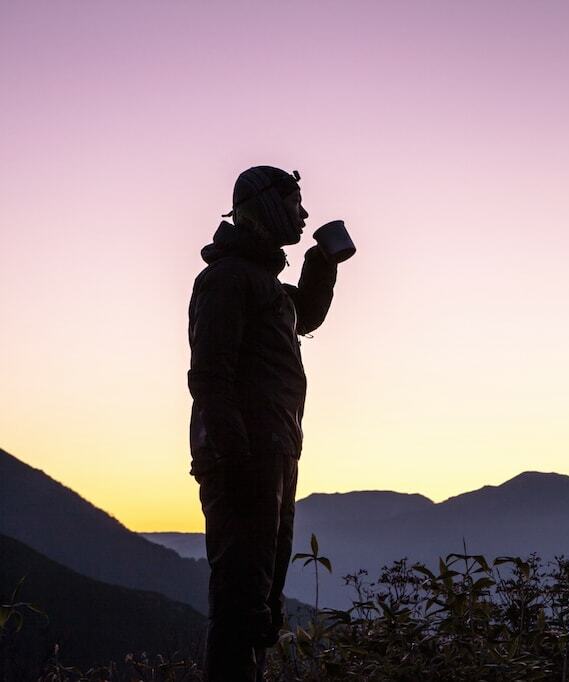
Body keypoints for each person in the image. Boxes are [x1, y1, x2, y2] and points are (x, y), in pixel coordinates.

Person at [187, 166, 340, 680]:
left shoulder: (263, 284)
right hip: (245, 459)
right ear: (267, 208)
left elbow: (306, 315)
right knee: (241, 601)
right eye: (295, 203)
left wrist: (322, 261)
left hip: (271, 454)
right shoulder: (227, 279)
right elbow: (210, 376)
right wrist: (235, 460)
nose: (304, 214)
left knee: (262, 601)